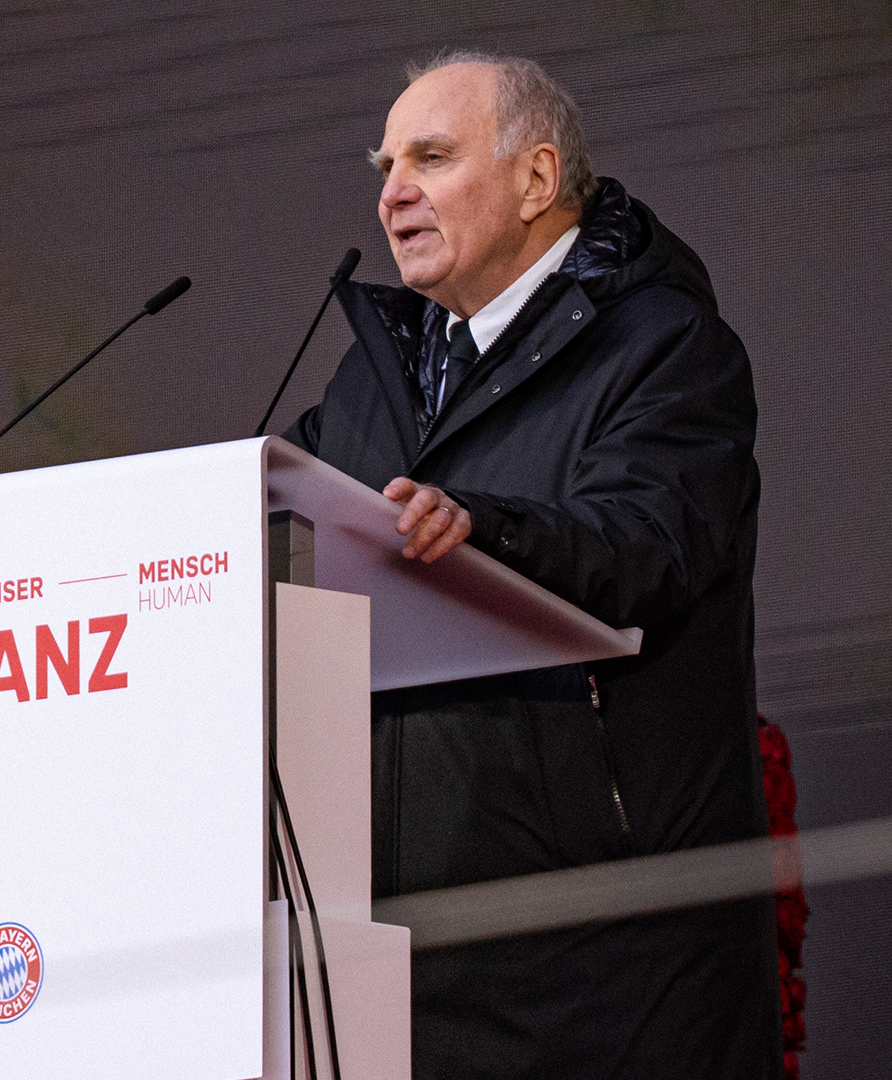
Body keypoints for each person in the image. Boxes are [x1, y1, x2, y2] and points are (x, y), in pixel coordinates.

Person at [284, 50, 782, 1079]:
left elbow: (650, 543)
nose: (392, 192)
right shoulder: (371, 381)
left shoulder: (665, 347)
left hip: (603, 965)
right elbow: (289, 525)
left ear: (537, 180)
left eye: (430, 156)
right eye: (384, 166)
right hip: (392, 957)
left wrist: (482, 529)